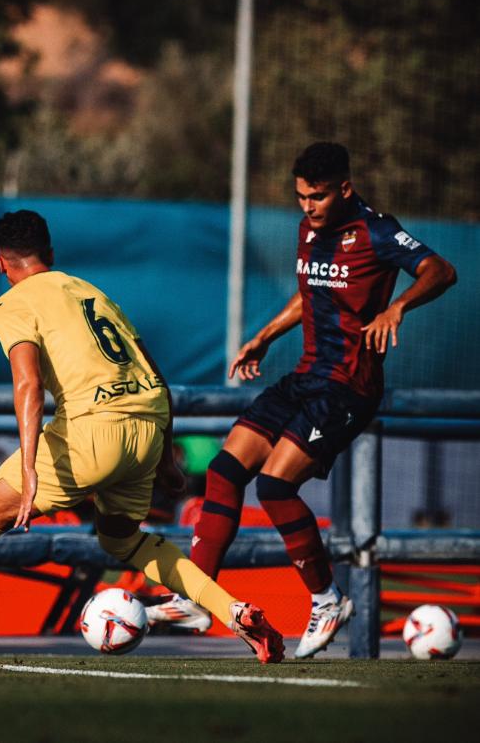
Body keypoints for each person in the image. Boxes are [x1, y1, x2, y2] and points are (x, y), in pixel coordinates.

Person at [0, 209, 284, 665]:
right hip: (148, 426)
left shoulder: (13, 304)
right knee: (125, 541)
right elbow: (153, 371)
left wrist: (28, 468)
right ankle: (232, 611)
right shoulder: (89, 291)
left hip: (93, 434)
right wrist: (167, 458)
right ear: (51, 254)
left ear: (1, 263)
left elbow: (28, 385)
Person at [151, 142, 457, 656]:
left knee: (274, 486)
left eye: (317, 197)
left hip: (348, 387)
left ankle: (326, 598)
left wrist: (397, 307)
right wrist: (266, 334)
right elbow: (311, 291)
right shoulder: (309, 229)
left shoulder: (377, 230)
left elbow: (441, 270)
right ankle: (198, 597)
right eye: (300, 197)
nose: (307, 206)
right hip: (305, 376)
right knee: (226, 470)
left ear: (344, 188)